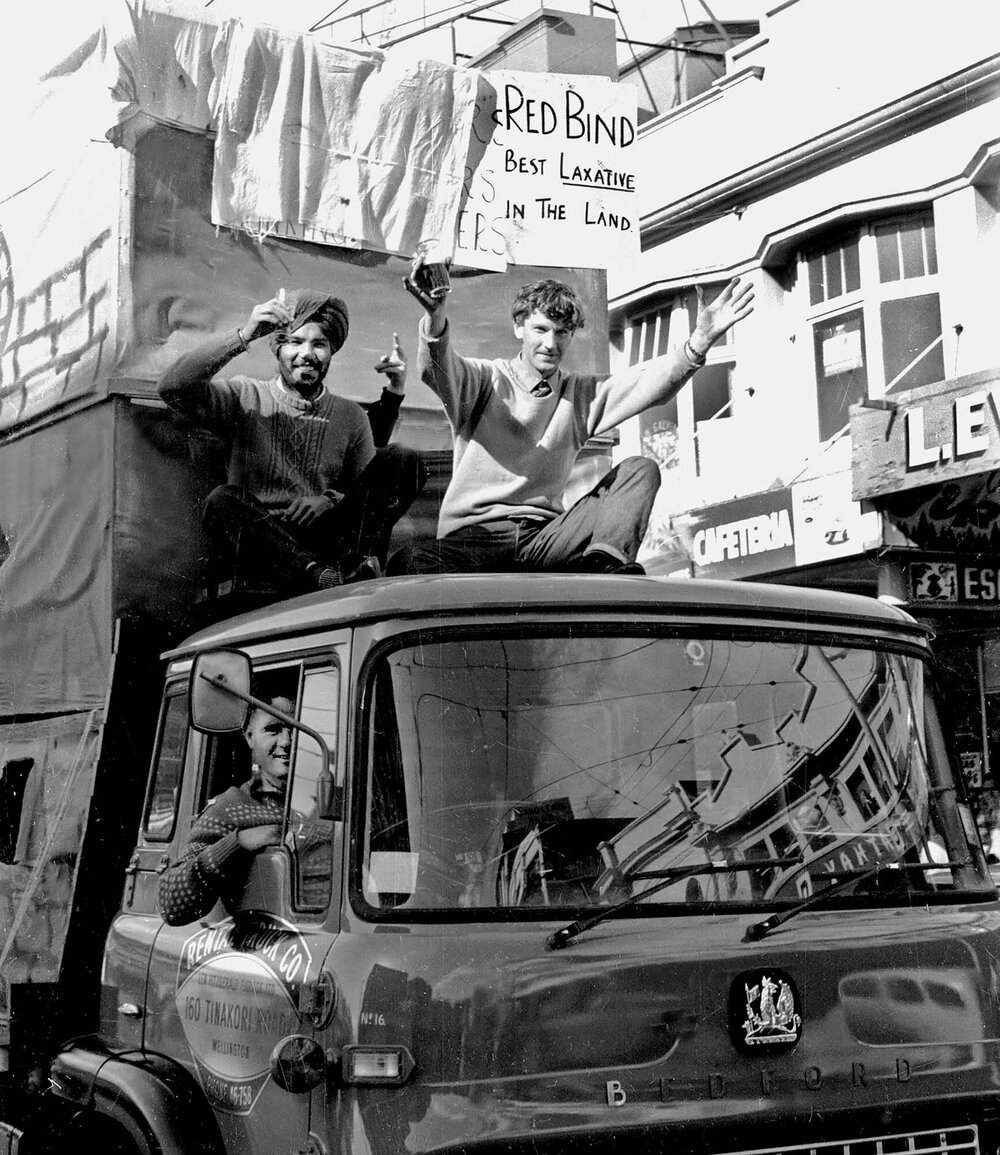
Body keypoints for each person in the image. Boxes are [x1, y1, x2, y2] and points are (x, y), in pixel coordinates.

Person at [389, 266, 753, 575]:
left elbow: (648, 385)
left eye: (561, 332)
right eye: (541, 329)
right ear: (519, 327)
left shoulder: (581, 394)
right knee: (409, 563)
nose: (551, 343)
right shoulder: (486, 379)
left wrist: (699, 342)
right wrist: (434, 318)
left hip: (543, 540)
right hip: (475, 539)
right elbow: (437, 369)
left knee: (640, 469)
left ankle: (602, 567)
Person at [159, 290, 426, 593]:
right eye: (295, 342)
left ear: (332, 351)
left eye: (319, 344)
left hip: (325, 542)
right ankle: (317, 576)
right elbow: (173, 388)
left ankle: (344, 571)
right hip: (263, 545)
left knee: (403, 459)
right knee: (222, 500)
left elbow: (363, 493)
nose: (307, 354)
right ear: (278, 349)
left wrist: (329, 500)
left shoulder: (350, 415)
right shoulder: (245, 396)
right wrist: (243, 336)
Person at [159, 693, 320, 925]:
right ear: (250, 737)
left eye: (296, 729)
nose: (287, 741)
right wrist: (239, 842)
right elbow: (170, 904)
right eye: (273, 730)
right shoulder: (232, 806)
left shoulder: (330, 800)